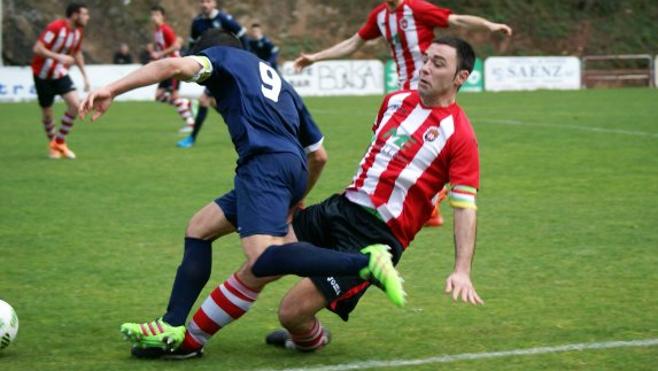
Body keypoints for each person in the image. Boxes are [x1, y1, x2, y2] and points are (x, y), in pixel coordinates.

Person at [124, 35, 484, 360]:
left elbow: (465, 207)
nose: (425, 68)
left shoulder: (459, 135)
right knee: (259, 265)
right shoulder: (395, 101)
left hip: (378, 237)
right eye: (426, 59)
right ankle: (191, 341)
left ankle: (310, 336)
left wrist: (461, 270)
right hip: (339, 209)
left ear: (460, 77)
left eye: (438, 64)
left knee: (290, 312)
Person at [78, 29, 405, 359]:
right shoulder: (277, 82)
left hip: (263, 165)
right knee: (200, 227)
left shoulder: (221, 58)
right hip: (290, 167)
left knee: (263, 258)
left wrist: (111, 89)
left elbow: (170, 67)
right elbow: (319, 155)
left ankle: (365, 262)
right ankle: (172, 324)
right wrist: (295, 195)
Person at [293, 0, 511, 226]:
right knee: (389, 147)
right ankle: (400, 202)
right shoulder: (380, 15)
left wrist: (489, 25)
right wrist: (315, 57)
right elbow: (353, 43)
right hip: (404, 94)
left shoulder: (416, 8)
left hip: (427, 91)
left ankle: (408, 201)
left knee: (402, 148)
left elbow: (456, 20)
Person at [176, 0, 249, 149]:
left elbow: (243, 34)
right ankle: (247, 128)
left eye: (208, 1)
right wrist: (186, 59)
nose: (204, 4)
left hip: (227, 66)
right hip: (209, 67)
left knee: (204, 100)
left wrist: (246, 56)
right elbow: (192, 45)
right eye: (202, 1)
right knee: (217, 103)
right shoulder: (197, 23)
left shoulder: (224, 19)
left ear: (214, 3)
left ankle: (192, 138)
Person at [31, 2, 90, 159]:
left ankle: (59, 141)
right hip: (42, 75)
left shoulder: (78, 32)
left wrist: (85, 77)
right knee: (47, 115)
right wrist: (59, 57)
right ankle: (53, 146)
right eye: (84, 14)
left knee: (75, 105)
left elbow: (77, 54)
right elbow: (37, 48)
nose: (87, 17)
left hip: (60, 73)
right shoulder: (56, 27)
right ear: (75, 14)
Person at [149, 5, 196, 134]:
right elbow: (162, 49)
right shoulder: (156, 31)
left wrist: (160, 54)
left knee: (174, 96)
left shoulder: (165, 30)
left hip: (174, 66)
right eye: (153, 15)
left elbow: (176, 46)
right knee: (159, 96)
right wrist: (155, 54)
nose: (154, 18)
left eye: (157, 15)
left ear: (163, 17)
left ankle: (191, 124)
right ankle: (187, 103)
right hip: (166, 66)